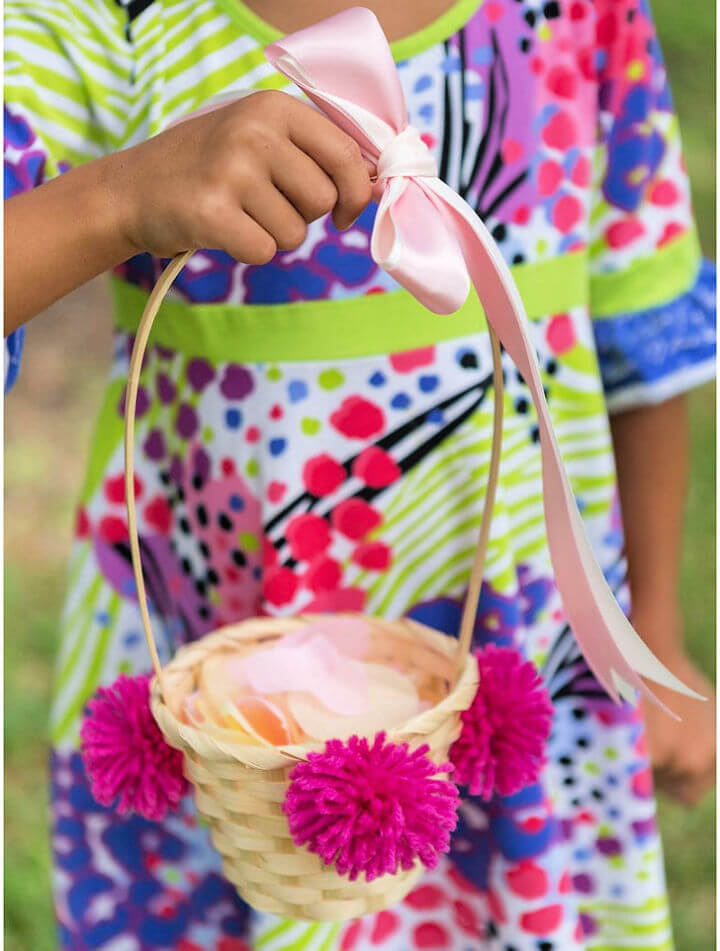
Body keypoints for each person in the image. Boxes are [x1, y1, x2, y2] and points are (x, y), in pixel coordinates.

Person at [4, 0, 716, 948]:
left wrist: (656, 635)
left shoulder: (582, 15)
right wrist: (115, 199)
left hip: (521, 664)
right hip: (208, 704)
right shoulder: (97, 19)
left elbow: (641, 317)